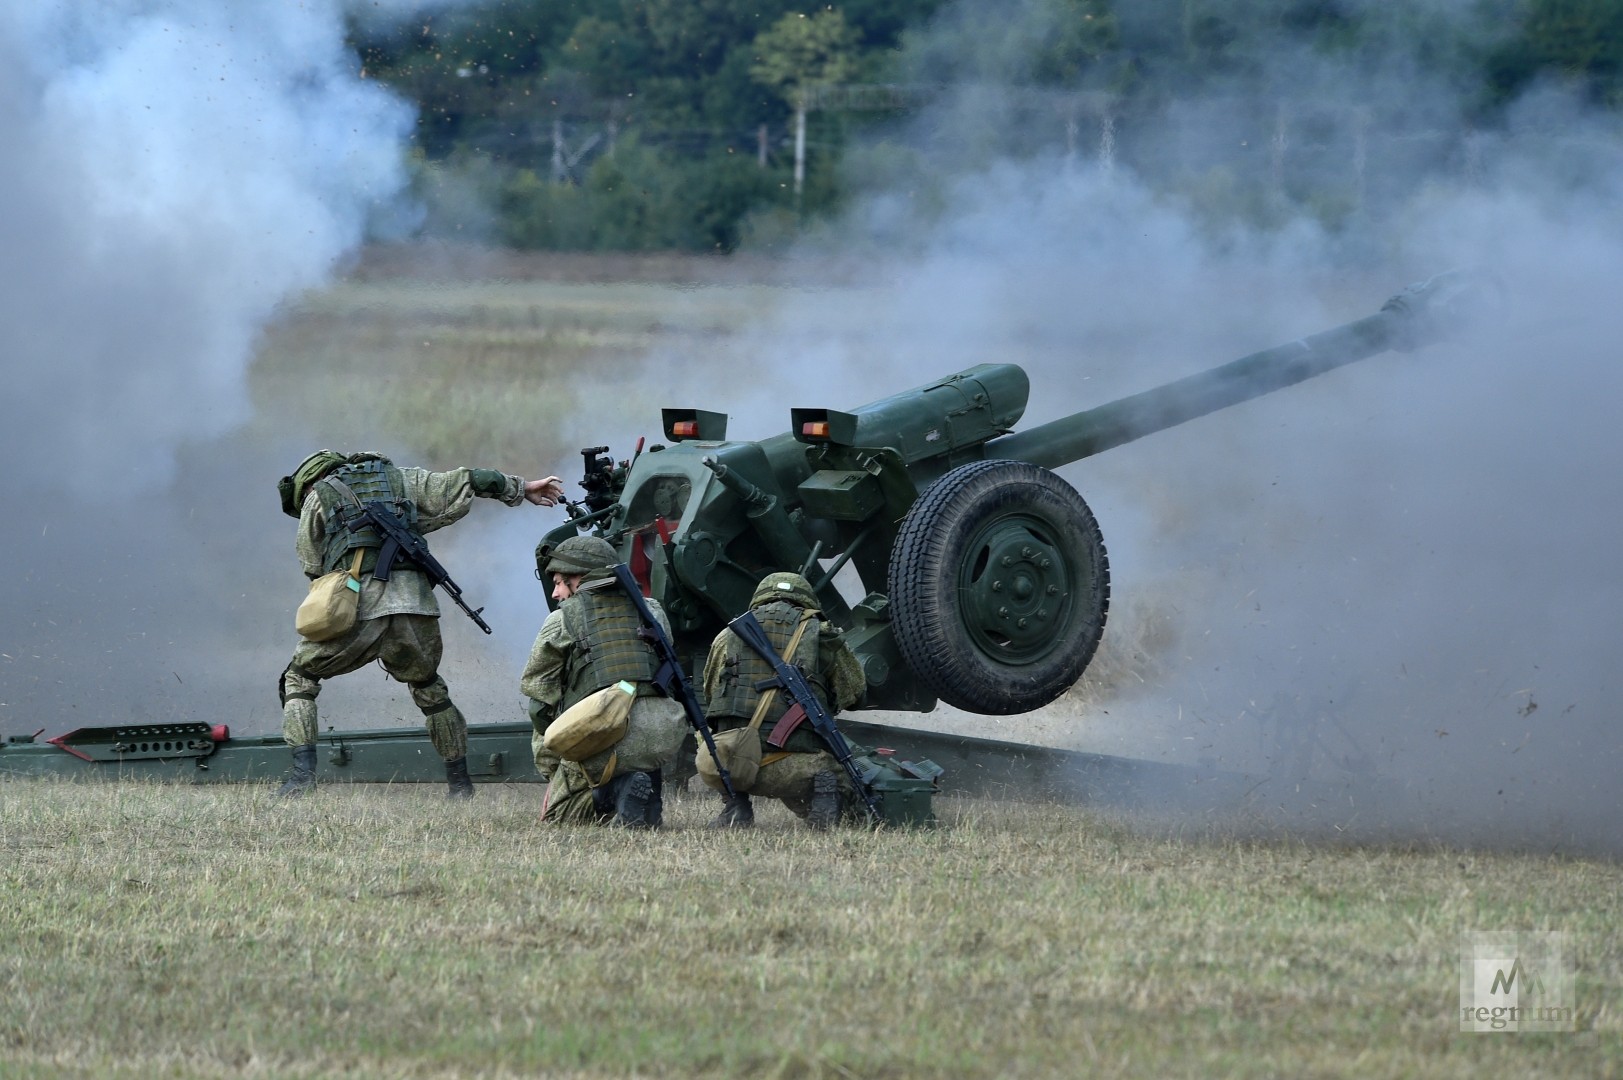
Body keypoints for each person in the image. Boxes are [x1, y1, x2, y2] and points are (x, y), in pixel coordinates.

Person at [275, 450, 563, 799]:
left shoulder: (317, 497)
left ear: (306, 481)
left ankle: (302, 777)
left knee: (299, 678)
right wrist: (521, 488)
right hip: (417, 606)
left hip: (358, 607)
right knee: (429, 688)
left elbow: (311, 562)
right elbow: (471, 478)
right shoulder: (403, 479)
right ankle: (460, 786)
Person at [520, 535, 687, 828]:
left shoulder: (560, 620)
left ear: (580, 579)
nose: (556, 593)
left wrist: (554, 771)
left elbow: (539, 702)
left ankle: (616, 790)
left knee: (561, 818)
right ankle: (648, 800)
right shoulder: (653, 610)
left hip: (605, 734)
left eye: (560, 582)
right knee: (643, 725)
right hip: (665, 733)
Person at [700, 572, 867, 829]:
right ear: (806, 600)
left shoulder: (728, 636)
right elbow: (853, 692)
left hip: (731, 765)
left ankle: (736, 805)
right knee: (839, 771)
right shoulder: (823, 635)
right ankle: (824, 799)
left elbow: (712, 695)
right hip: (801, 769)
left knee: (708, 739)